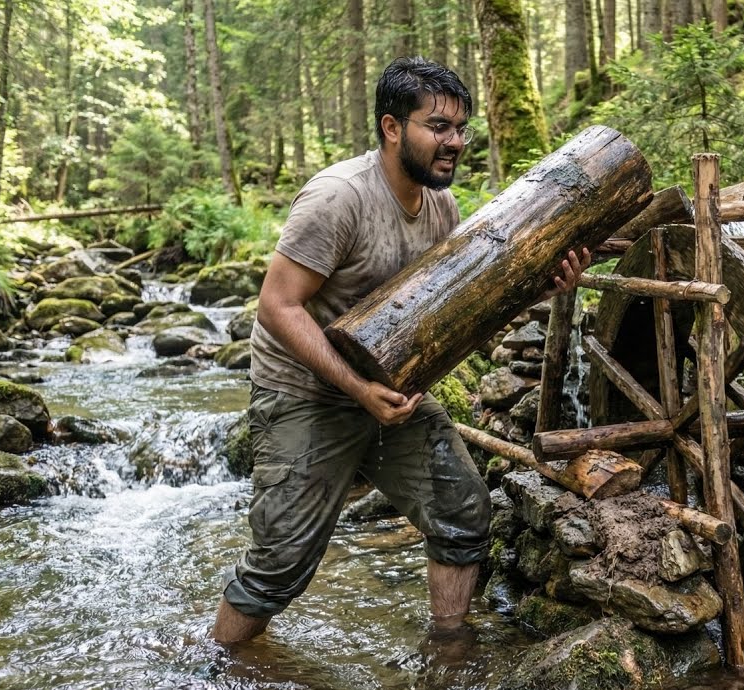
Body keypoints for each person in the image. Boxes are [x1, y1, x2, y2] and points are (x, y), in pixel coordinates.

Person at [212, 57, 589, 644]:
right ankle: (210, 678)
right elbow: (277, 307)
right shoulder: (338, 199)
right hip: (306, 395)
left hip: (395, 393)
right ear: (392, 128)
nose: (455, 142)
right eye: (438, 127)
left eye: (461, 129)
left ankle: (447, 657)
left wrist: (540, 289)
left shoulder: (443, 207)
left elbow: (456, 313)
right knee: (278, 568)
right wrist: (358, 390)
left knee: (463, 514)